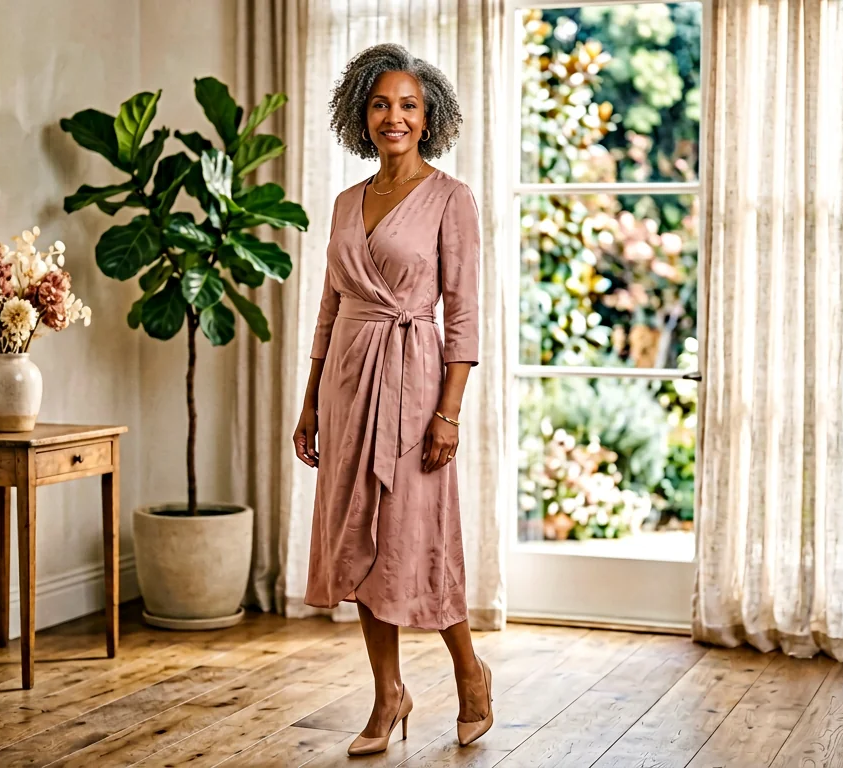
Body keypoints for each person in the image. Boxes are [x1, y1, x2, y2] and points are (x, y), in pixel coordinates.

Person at [292, 42, 492, 756]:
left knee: (419, 536)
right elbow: (327, 309)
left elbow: (464, 316)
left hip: (414, 387)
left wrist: (449, 412)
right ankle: (388, 696)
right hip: (347, 384)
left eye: (408, 105)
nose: (393, 117)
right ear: (361, 113)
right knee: (361, 544)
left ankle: (470, 674)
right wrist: (310, 401)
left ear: (429, 114)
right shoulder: (348, 203)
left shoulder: (450, 199)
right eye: (380, 104)